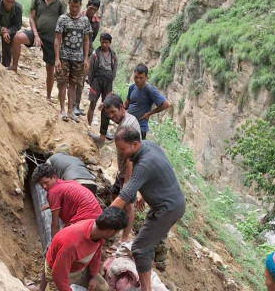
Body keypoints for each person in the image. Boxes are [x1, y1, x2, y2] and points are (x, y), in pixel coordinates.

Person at [110, 126, 185, 291]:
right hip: (170, 203)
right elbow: (162, 170)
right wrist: (144, 194)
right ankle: (146, 282)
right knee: (145, 244)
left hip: (167, 209)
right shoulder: (149, 145)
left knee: (139, 248)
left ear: (135, 144)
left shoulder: (144, 163)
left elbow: (126, 193)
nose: (121, 153)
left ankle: (146, 289)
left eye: (122, 149)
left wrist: (106, 216)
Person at [43, 207, 128, 291]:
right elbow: (58, 275)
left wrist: (93, 277)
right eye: (117, 232)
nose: (117, 234)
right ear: (111, 231)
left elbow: (95, 256)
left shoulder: (97, 233)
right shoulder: (72, 244)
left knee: (103, 288)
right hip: (58, 271)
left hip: (78, 267)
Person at [11, 0, 66, 100]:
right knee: (17, 38)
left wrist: (59, 42)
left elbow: (63, 23)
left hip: (52, 39)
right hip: (37, 33)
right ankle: (14, 68)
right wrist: (35, 35)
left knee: (49, 69)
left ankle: (48, 96)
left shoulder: (61, 2)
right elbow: (31, 18)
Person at [101, 94, 140, 244]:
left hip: (129, 173)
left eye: (113, 112)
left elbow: (130, 157)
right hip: (122, 172)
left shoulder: (126, 126)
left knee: (128, 206)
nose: (111, 116)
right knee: (115, 195)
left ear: (121, 107)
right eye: (108, 114)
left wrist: (127, 182)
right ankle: (114, 229)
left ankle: (123, 239)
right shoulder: (128, 119)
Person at [32, 163, 101, 239]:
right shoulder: (67, 183)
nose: (44, 187)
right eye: (41, 185)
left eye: (46, 182)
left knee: (65, 241)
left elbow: (55, 223)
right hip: (98, 218)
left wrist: (54, 243)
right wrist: (52, 204)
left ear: (54, 177)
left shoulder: (53, 192)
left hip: (86, 221)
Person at [54, 0, 92, 122]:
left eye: (77, 7)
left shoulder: (85, 21)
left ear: (81, 5)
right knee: (62, 83)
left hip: (78, 59)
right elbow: (57, 39)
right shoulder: (62, 19)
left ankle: (70, 110)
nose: (74, 9)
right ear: (68, 4)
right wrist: (57, 58)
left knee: (73, 84)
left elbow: (86, 40)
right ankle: (62, 110)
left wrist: (86, 58)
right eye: (72, 6)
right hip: (64, 57)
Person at [86, 33, 118, 147]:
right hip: (97, 81)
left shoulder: (113, 55)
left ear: (110, 43)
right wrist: (91, 81)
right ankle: (87, 128)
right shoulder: (95, 54)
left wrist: (110, 80)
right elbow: (91, 70)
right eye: (102, 42)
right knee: (92, 104)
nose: (104, 44)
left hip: (108, 82)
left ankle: (102, 135)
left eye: (106, 42)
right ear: (100, 41)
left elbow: (114, 71)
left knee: (106, 107)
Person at [125, 64, 171, 139]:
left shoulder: (149, 89)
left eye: (141, 78)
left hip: (140, 127)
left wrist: (149, 113)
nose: (138, 80)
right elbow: (125, 105)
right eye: (136, 77)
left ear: (146, 77)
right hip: (129, 124)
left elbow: (166, 104)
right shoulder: (132, 87)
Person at [74, 0, 101, 117]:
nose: (92, 11)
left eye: (95, 9)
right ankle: (71, 105)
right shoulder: (79, 17)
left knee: (81, 79)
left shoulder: (96, 22)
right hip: (75, 50)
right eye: (91, 8)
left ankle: (76, 105)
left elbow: (92, 38)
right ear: (87, 6)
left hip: (87, 53)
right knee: (73, 77)